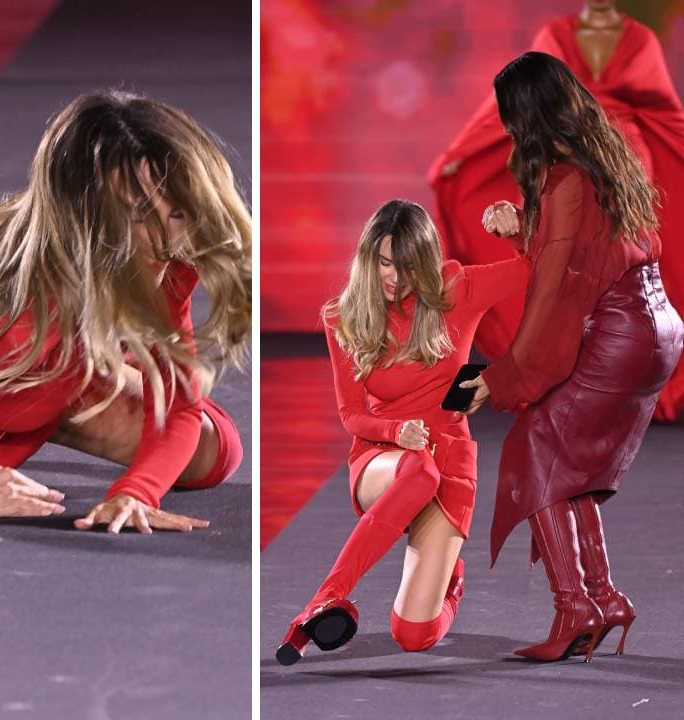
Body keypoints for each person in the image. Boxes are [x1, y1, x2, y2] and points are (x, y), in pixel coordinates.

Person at [0, 91, 250, 531]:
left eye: (180, 213)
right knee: (30, 361)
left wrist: (136, 493)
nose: (166, 242)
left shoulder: (165, 257)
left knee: (215, 452)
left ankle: (48, 386)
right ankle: (33, 391)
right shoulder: (13, 321)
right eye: (136, 214)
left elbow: (182, 409)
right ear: (85, 219)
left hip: (47, 342)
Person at [460, 52, 683, 662]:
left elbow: (558, 293)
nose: (507, 131)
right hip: (655, 323)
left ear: (526, 117)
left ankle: (576, 606)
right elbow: (588, 253)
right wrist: (523, 232)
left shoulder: (564, 179)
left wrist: (502, 377)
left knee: (536, 445)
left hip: (620, 332)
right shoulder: (605, 160)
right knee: (565, 457)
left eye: (509, 118)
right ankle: (602, 596)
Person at [275, 200, 529, 666]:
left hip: (450, 459)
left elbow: (535, 272)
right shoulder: (343, 316)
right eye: (385, 262)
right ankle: (326, 599)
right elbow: (352, 414)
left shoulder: (456, 288)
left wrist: (516, 228)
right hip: (383, 456)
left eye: (408, 267)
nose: (394, 277)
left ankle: (451, 580)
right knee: (418, 470)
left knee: (413, 636)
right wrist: (396, 430)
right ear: (367, 256)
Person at [430, 0, 684, 420]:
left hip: (625, 149)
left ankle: (609, 372)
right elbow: (521, 100)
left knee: (607, 256)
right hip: (575, 149)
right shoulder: (555, 38)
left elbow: (665, 109)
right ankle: (597, 370)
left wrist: (507, 378)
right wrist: (464, 149)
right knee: (583, 256)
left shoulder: (640, 38)